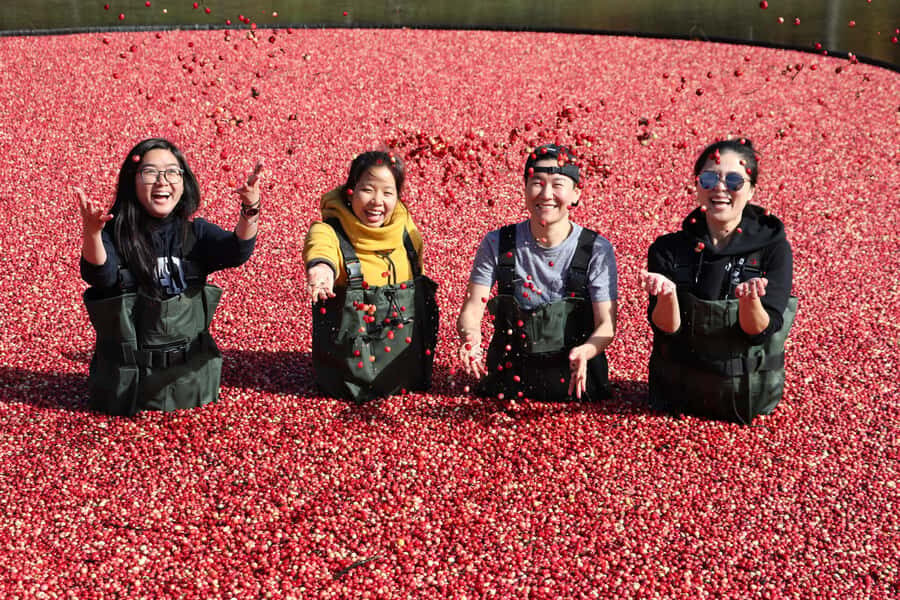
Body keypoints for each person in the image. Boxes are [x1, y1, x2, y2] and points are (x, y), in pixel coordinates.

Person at [77, 138, 261, 416]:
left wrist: (250, 210)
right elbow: (100, 275)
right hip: (128, 388)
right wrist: (92, 234)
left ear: (184, 181)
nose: (162, 180)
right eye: (150, 172)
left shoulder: (195, 234)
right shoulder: (115, 234)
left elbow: (237, 250)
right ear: (132, 181)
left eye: (172, 172)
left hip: (189, 382)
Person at [640, 138, 796, 423]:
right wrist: (666, 296)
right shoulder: (667, 249)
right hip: (675, 396)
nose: (720, 187)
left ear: (751, 191)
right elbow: (667, 330)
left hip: (744, 397)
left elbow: (760, 333)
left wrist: (750, 303)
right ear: (697, 184)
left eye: (734, 181)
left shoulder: (773, 250)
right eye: (709, 177)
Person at [457, 144, 617, 402]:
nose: (546, 194)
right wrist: (470, 338)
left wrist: (587, 351)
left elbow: (606, 325)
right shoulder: (497, 243)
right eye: (537, 182)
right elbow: (473, 308)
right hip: (508, 385)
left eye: (557, 184)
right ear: (524, 189)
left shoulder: (595, 249)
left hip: (577, 386)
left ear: (576, 194)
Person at [303, 151, 438, 403]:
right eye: (367, 189)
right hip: (347, 387)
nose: (377, 201)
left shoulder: (406, 231)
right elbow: (320, 247)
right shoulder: (330, 231)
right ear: (350, 190)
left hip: (408, 380)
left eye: (387, 193)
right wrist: (321, 270)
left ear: (397, 197)